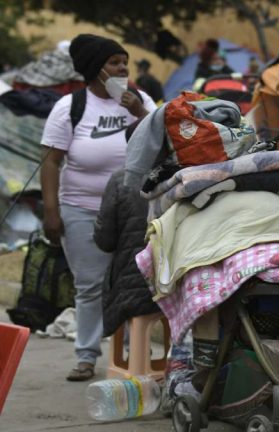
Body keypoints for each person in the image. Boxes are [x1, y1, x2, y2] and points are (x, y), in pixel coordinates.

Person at [40, 33, 156, 381]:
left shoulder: (141, 101)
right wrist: (51, 211)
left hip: (135, 212)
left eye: (124, 62)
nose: (122, 68)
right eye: (114, 63)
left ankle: (134, 354)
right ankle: (87, 356)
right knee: (89, 285)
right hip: (81, 208)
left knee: (137, 283)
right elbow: (50, 162)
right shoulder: (70, 107)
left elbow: (161, 146)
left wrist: (139, 113)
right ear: (95, 70)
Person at [93, 169, 160, 341]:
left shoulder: (121, 179)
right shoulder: (192, 173)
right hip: (178, 287)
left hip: (131, 288)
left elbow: (105, 241)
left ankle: (133, 357)